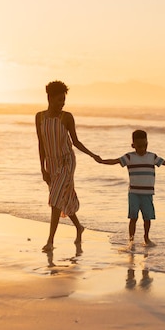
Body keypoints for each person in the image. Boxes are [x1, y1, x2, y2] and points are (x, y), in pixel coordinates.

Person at [35, 80, 101, 252]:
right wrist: (43, 168)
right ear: (49, 98)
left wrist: (93, 155)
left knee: (56, 199)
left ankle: (50, 241)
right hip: (52, 164)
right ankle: (79, 227)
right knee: (64, 198)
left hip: (67, 162)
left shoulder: (67, 117)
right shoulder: (39, 117)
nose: (62, 104)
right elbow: (41, 144)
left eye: (64, 100)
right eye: (59, 100)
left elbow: (76, 142)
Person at [96, 129, 165, 248]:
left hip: (147, 193)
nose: (142, 149)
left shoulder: (152, 157)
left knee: (147, 218)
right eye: (139, 146)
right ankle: (131, 240)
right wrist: (101, 161)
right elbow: (115, 161)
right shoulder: (129, 157)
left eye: (145, 146)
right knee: (133, 217)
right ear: (133, 145)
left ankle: (146, 238)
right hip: (134, 193)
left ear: (147, 144)